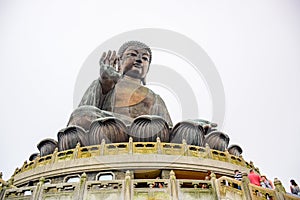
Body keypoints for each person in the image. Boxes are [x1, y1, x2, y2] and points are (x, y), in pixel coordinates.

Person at [68, 41, 173, 130]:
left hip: (143, 131)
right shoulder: (108, 83)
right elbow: (84, 114)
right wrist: (105, 82)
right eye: (132, 54)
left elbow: (166, 128)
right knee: (82, 114)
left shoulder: (154, 98)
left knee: (182, 130)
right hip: (110, 127)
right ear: (119, 61)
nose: (139, 60)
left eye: (145, 58)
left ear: (148, 68)